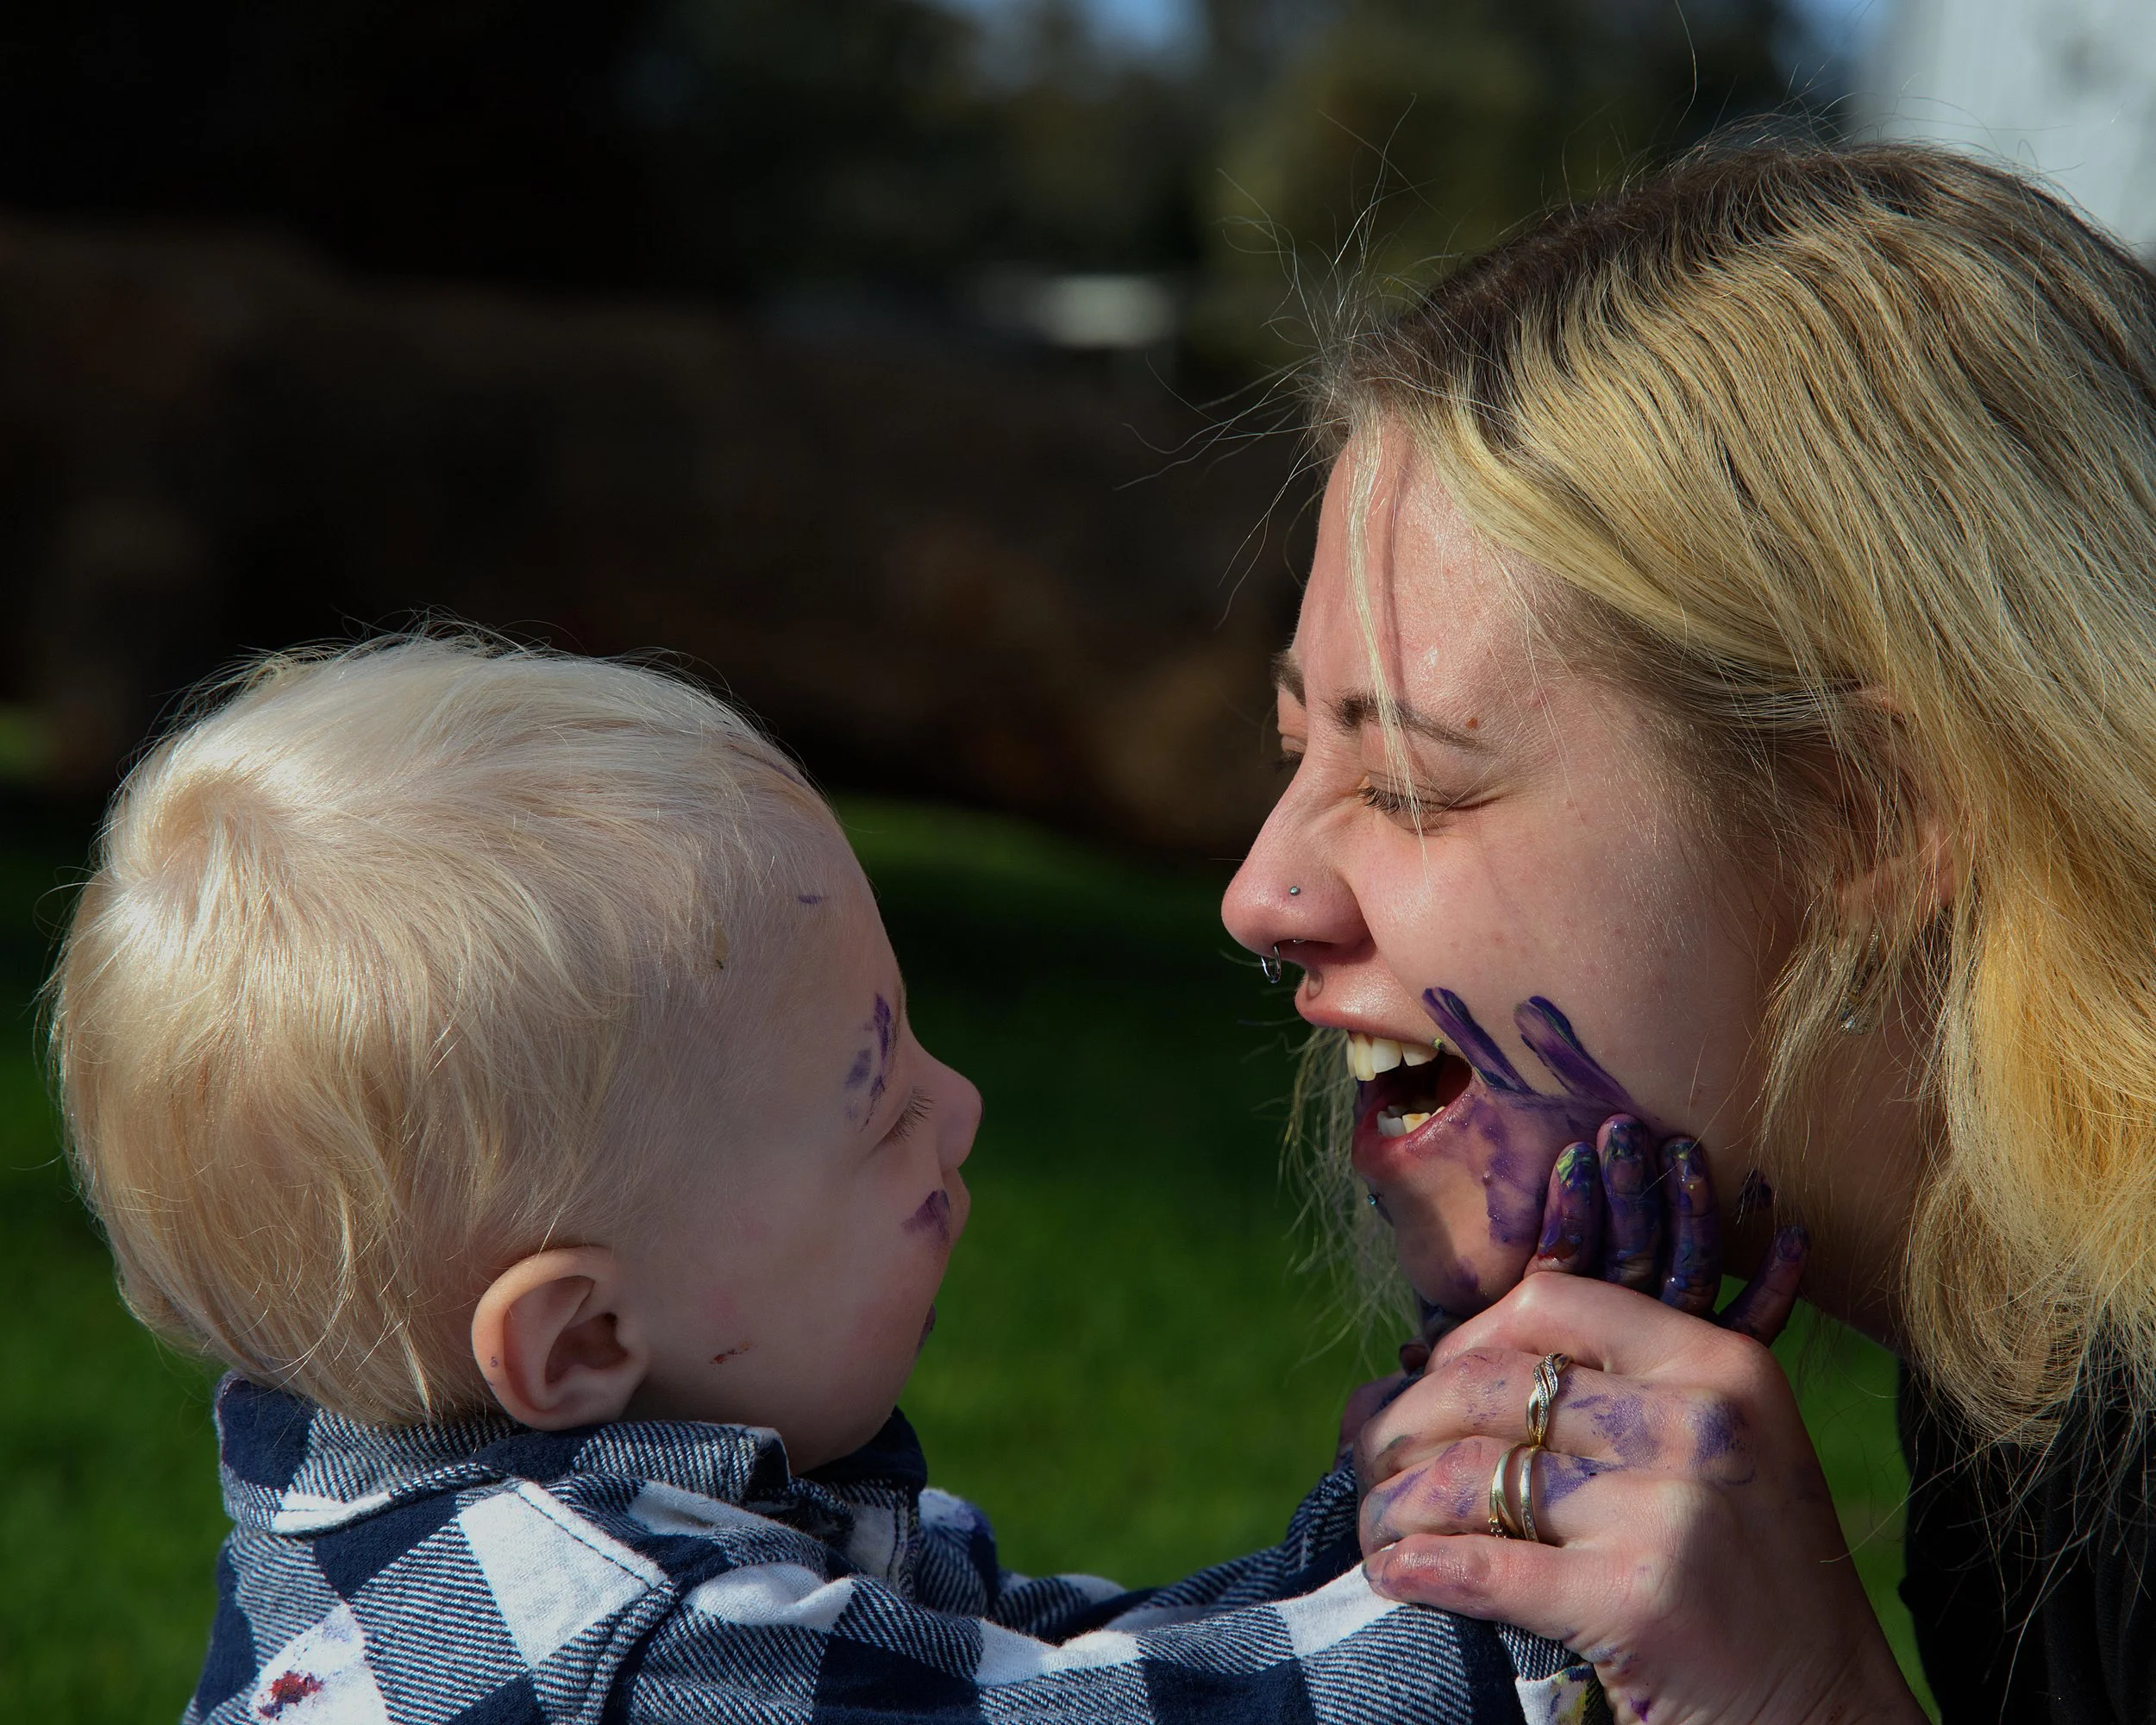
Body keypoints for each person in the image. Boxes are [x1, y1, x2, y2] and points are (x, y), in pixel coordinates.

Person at [54, 634, 1601, 1725]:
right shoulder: (632, 1652)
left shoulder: (412, 1504)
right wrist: (1536, 1591)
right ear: (583, 1341)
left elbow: (1049, 1672)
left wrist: (1401, 1508)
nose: (965, 1107)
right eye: (878, 1114)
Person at [1222, 137, 2156, 1723]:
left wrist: (1802, 1698)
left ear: (1864, 812)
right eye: (1298, 749)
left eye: (1415, 784)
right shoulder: (2018, 1343)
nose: (1264, 895)